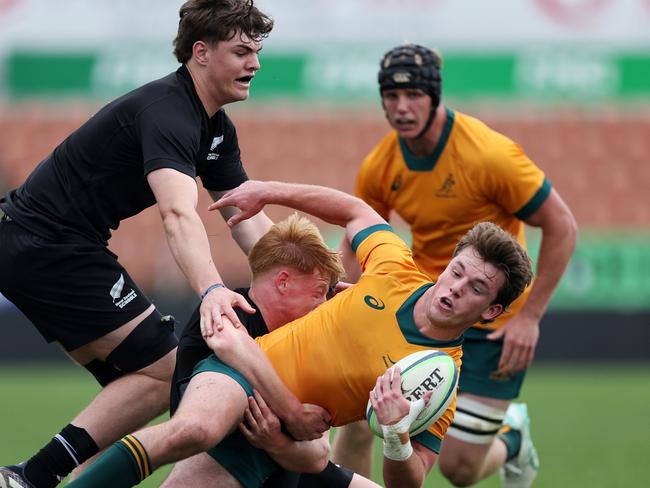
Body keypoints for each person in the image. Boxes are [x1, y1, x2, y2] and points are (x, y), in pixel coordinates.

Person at [0, 3, 325, 488]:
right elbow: (177, 213)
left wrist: (303, 285)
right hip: (47, 243)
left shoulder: (216, 128)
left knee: (131, 390)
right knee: (162, 372)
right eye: (241, 52)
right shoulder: (169, 112)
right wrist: (213, 289)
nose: (254, 64)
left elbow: (243, 220)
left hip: (49, 243)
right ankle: (29, 478)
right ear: (201, 53)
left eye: (256, 52)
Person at [63, 179, 534, 488]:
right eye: (456, 271)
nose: (454, 288)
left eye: (475, 288)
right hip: (242, 373)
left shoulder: (440, 383)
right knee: (194, 429)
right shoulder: (395, 269)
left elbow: (409, 481)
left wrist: (395, 432)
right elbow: (353, 210)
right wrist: (268, 191)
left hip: (285, 439)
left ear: (491, 310)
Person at [331, 43, 577, 488]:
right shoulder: (381, 164)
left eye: (414, 96)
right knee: (357, 413)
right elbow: (359, 230)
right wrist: (348, 291)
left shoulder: (489, 155)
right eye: (391, 96)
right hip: (422, 312)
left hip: (495, 323)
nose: (401, 108)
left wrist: (532, 318)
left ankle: (514, 438)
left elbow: (562, 225)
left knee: (459, 471)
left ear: (435, 95)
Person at [165, 213, 378, 488]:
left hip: (287, 467)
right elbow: (232, 354)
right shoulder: (224, 314)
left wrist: (277, 441)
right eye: (319, 292)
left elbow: (317, 455)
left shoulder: (310, 338)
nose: (323, 305)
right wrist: (292, 414)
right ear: (283, 282)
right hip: (225, 466)